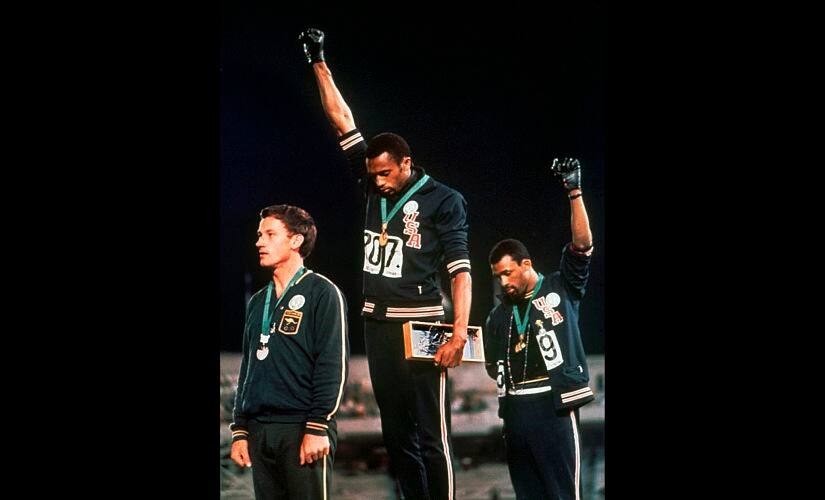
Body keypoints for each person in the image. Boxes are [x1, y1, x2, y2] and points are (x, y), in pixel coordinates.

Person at [299, 28, 472, 500]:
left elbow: (460, 270)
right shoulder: (373, 181)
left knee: (433, 435)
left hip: (423, 323)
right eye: (372, 175)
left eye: (385, 175)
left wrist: (459, 330)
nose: (377, 183)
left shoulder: (444, 200)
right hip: (377, 323)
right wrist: (318, 60)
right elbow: (342, 120)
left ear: (406, 164)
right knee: (397, 437)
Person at [484, 158, 596, 500]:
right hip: (515, 413)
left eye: (508, 273)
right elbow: (490, 365)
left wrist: (574, 191)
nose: (504, 283)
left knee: (563, 494)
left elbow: (582, 246)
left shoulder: (561, 288)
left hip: (553, 406)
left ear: (526, 264)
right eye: (498, 277)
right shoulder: (498, 316)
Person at [229, 204, 349, 500]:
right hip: (259, 431)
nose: (259, 242)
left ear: (296, 240)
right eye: (259, 235)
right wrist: (240, 429)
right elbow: (248, 368)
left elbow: (332, 364)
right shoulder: (258, 301)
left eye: (270, 234)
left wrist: (318, 425)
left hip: (302, 428)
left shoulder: (323, 292)